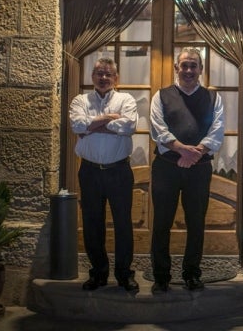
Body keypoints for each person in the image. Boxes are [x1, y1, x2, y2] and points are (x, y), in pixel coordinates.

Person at [149, 47, 225, 294]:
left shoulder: (214, 98)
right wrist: (183, 150)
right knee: (161, 223)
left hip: (199, 170)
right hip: (166, 169)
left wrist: (195, 154)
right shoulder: (161, 96)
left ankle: (192, 274)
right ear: (176, 69)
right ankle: (161, 276)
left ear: (201, 69)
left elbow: (217, 131)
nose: (189, 70)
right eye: (185, 65)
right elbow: (158, 130)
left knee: (196, 223)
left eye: (194, 65)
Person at [69, 57, 139, 293]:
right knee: (92, 224)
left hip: (119, 170)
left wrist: (92, 126)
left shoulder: (126, 99)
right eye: (99, 73)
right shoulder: (80, 99)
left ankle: (123, 274)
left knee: (123, 224)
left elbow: (128, 127)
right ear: (92, 77)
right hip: (89, 171)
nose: (103, 78)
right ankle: (98, 273)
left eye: (108, 74)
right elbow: (77, 126)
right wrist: (111, 118)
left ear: (115, 78)